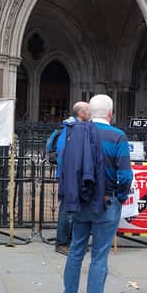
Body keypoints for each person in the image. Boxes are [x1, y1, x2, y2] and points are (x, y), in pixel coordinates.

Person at [60, 94, 132, 293]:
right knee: (99, 257)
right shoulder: (117, 135)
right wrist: (119, 197)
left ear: (90, 112)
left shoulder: (76, 131)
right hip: (105, 202)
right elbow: (125, 175)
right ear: (110, 113)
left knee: (76, 250)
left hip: (81, 200)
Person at [54, 101, 90, 255]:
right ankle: (62, 243)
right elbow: (63, 153)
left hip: (75, 174)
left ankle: (73, 241)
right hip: (69, 175)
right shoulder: (69, 128)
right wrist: (69, 174)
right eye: (88, 112)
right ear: (81, 113)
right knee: (67, 210)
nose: (90, 114)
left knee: (75, 209)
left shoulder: (80, 127)